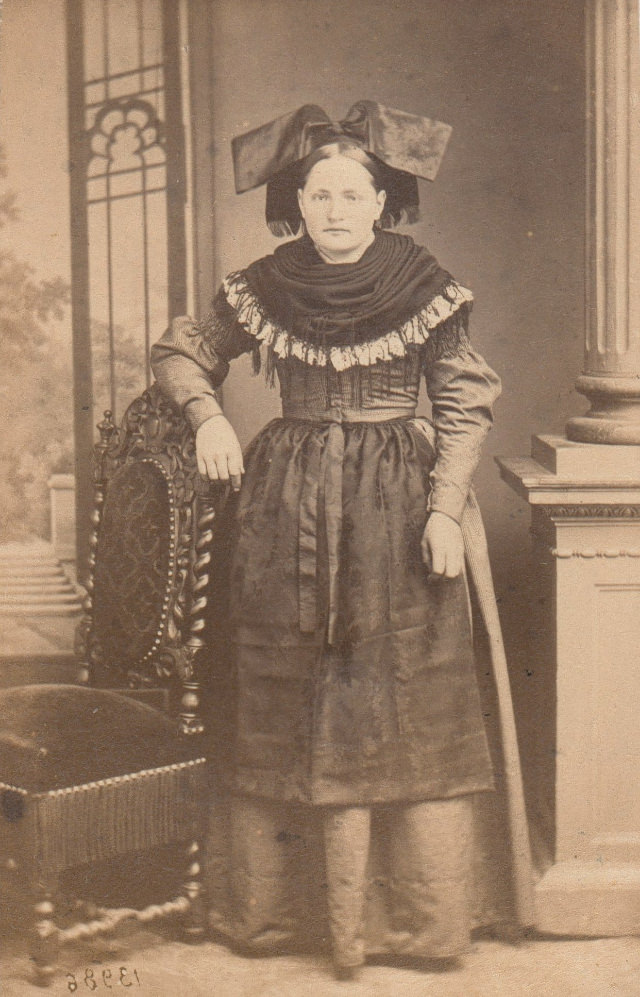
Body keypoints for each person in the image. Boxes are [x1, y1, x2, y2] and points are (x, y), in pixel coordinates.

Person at [151, 102, 533, 980]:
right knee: (284, 684)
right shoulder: (267, 280)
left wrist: (443, 507)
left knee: (399, 691)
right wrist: (207, 412)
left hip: (400, 504)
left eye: (351, 194)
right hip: (282, 503)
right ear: (297, 202)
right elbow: (179, 352)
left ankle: (413, 922)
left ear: (380, 201)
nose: (333, 210)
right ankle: (280, 914)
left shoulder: (424, 281)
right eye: (318, 194)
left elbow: (465, 404)